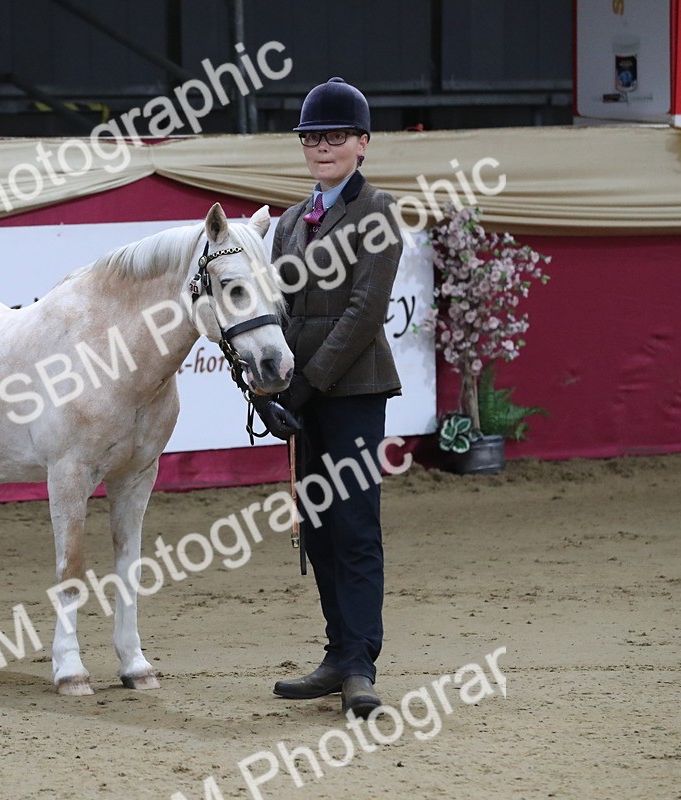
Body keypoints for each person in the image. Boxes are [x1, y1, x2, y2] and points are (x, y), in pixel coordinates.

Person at [252, 77, 403, 718]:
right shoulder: (289, 222)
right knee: (315, 528)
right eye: (312, 137)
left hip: (354, 391)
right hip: (303, 394)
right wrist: (269, 390)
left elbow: (364, 312)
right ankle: (338, 652)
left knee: (354, 526)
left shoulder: (378, 212)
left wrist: (306, 385)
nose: (322, 147)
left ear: (362, 144)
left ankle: (361, 664)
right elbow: (278, 312)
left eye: (335, 137)